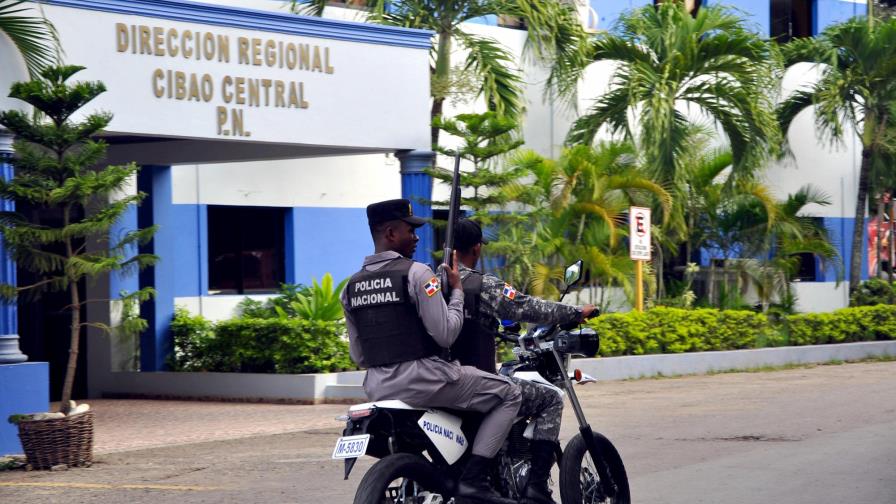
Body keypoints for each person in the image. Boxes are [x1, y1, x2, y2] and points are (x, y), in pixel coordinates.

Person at [341, 199, 521, 504]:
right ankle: (475, 481)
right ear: (390, 232)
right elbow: (447, 334)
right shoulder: (418, 274)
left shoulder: (351, 287)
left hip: (378, 390)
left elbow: (359, 356)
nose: (417, 237)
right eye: (410, 230)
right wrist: (457, 292)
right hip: (427, 382)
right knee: (510, 394)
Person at [449, 218, 598, 504]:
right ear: (477, 248)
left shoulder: (429, 282)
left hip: (436, 378)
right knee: (550, 399)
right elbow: (525, 306)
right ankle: (536, 487)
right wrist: (576, 313)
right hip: (475, 381)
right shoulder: (482, 285)